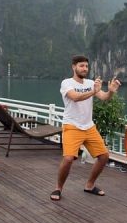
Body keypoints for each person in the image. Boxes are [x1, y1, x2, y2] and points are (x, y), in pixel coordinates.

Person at [50, 55, 121, 201]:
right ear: (74, 67)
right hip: (72, 126)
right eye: (81, 66)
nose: (85, 69)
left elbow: (104, 97)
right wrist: (93, 91)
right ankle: (58, 188)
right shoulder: (66, 83)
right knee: (69, 158)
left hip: (89, 126)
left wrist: (111, 91)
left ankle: (89, 185)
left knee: (104, 156)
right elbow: (75, 97)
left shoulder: (90, 83)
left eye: (86, 66)